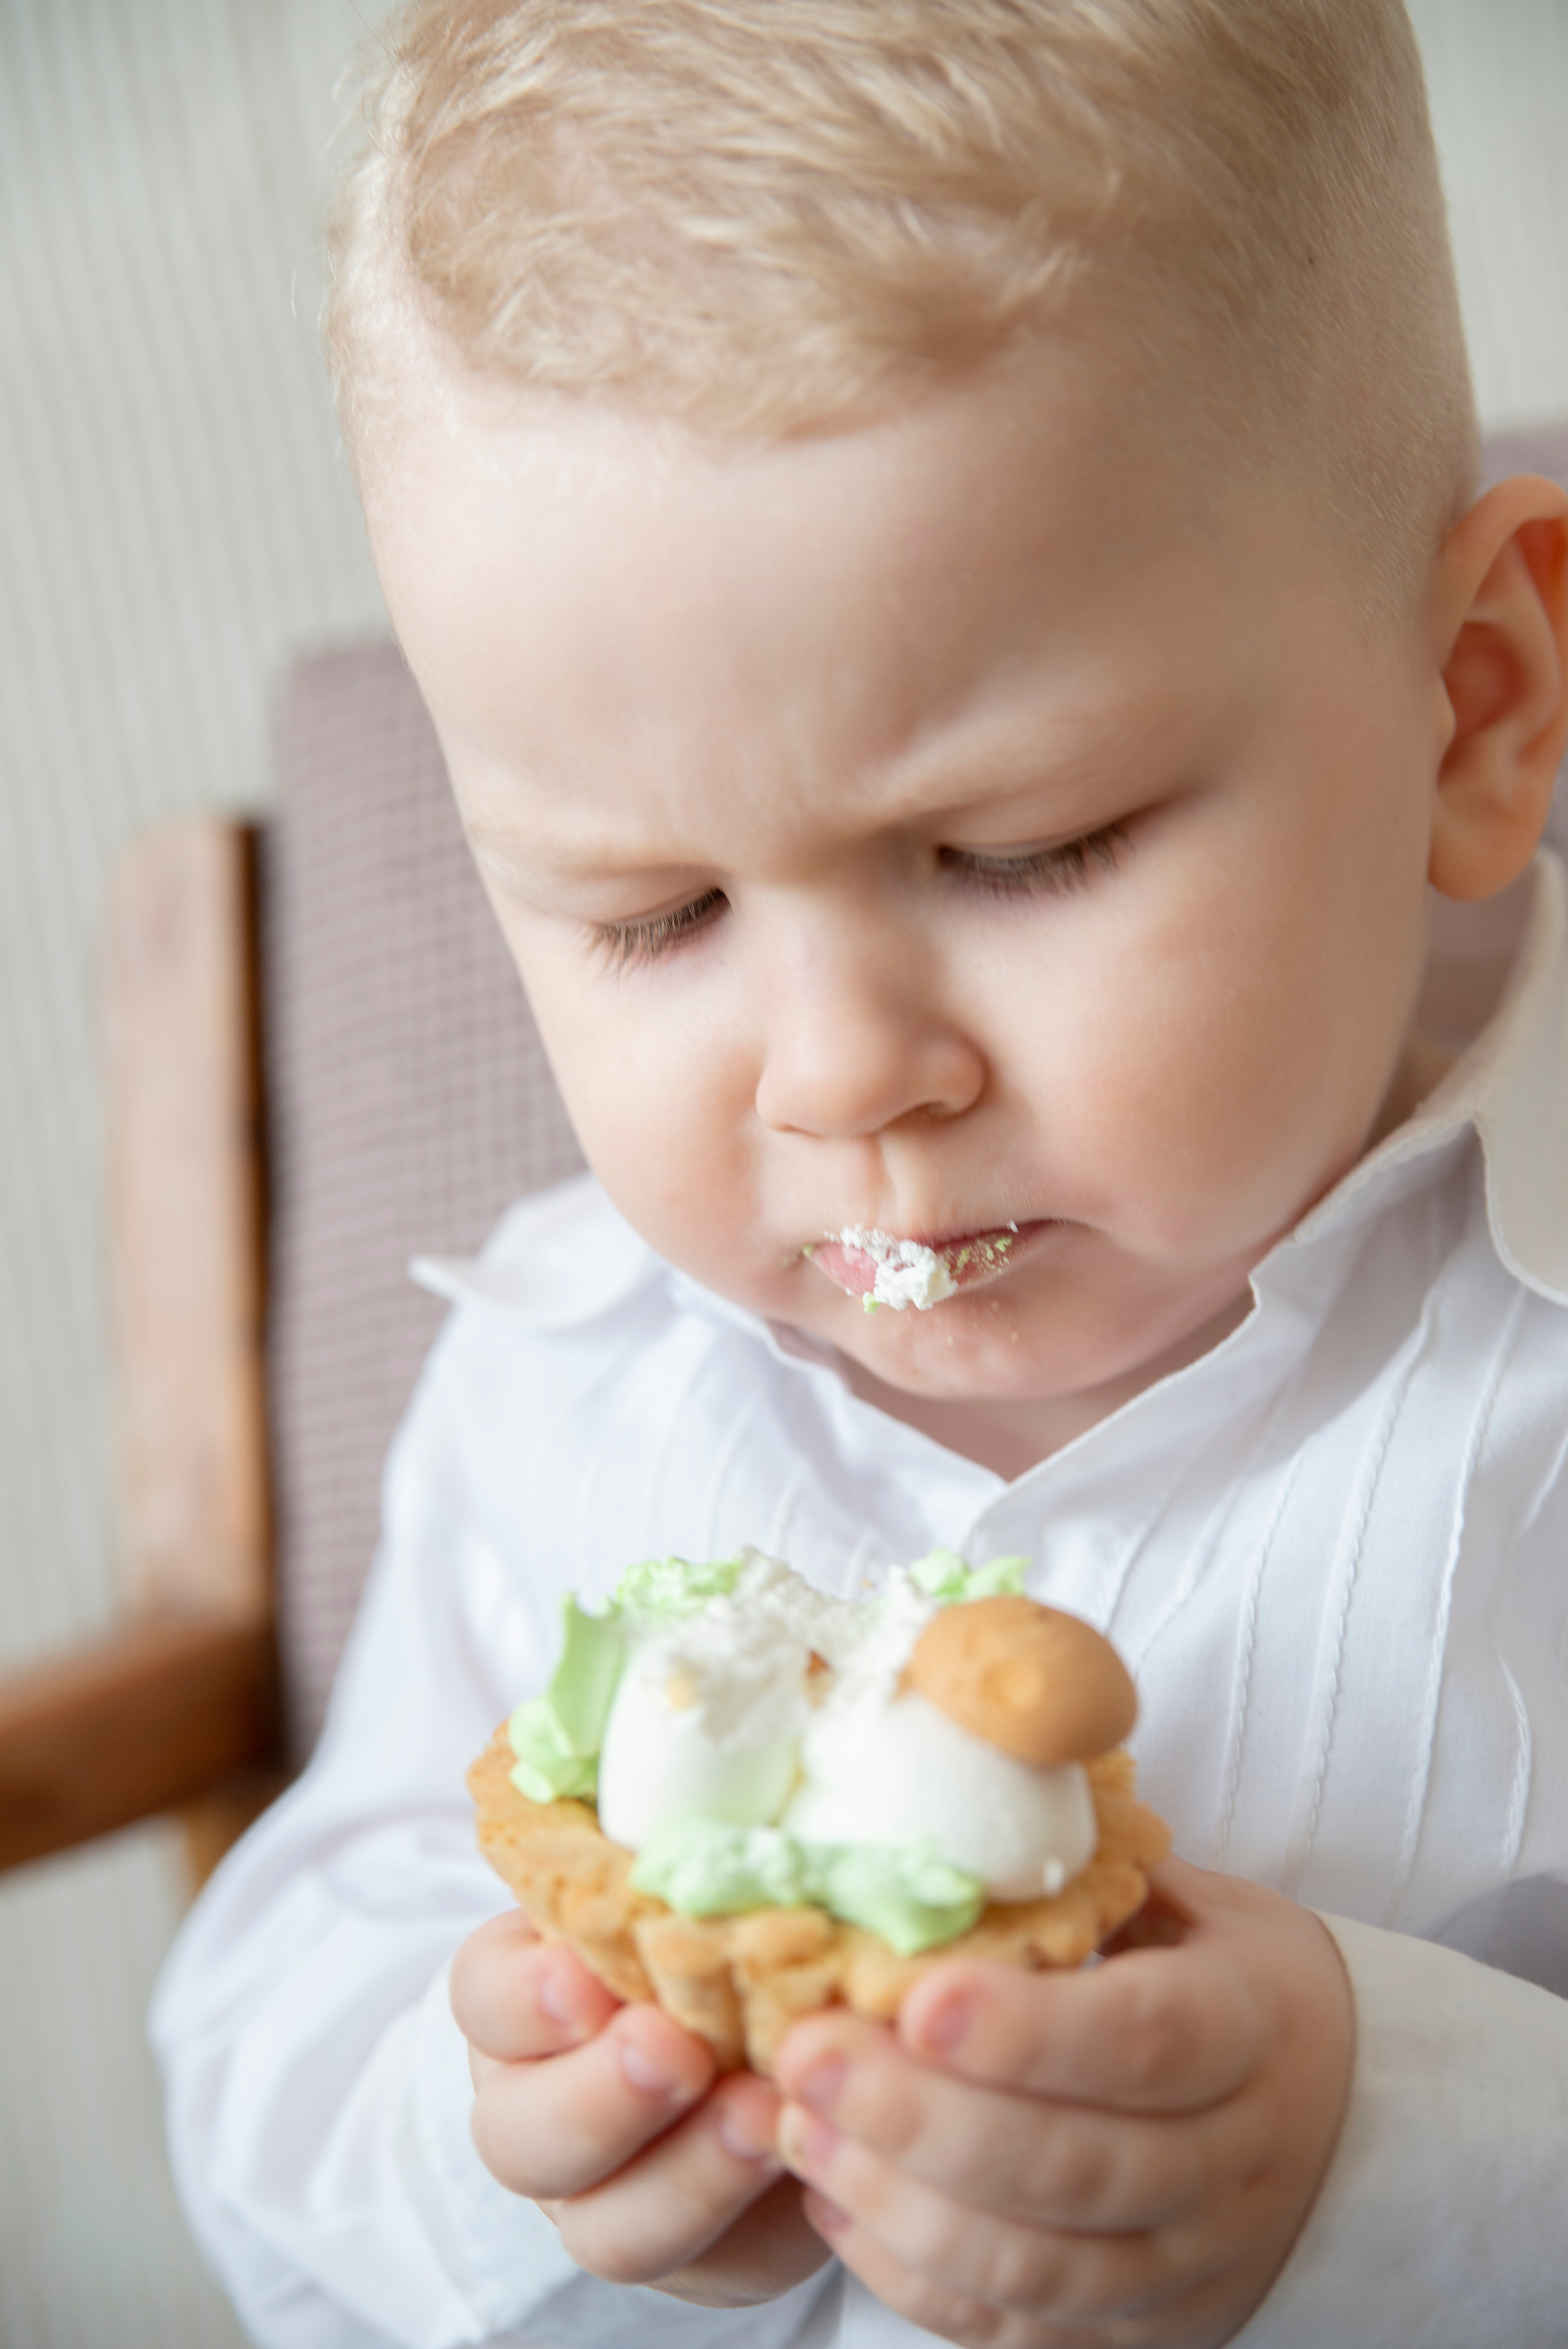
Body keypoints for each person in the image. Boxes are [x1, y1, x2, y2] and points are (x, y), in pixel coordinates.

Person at [152, 3, 1568, 2343]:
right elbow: (262, 2056)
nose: (838, 1075)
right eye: (650, 914)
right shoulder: (554, 1381)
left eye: (1019, 850)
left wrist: (1398, 2136)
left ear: (1479, 709)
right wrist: (497, 2130)